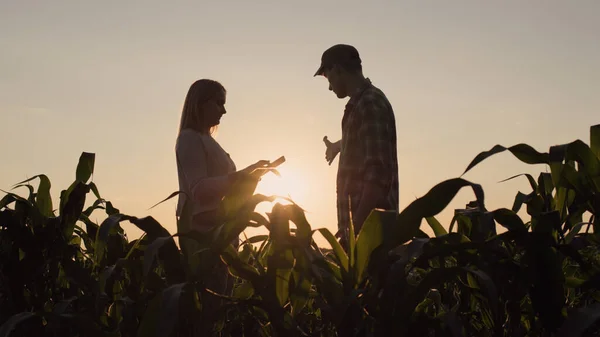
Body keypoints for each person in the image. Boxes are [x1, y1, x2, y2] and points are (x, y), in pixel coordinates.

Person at [174, 79, 268, 328]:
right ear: (201, 104)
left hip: (220, 236)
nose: (224, 111)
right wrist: (242, 175)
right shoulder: (189, 139)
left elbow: (221, 187)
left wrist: (250, 178)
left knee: (218, 312)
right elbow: (199, 190)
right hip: (205, 239)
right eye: (219, 103)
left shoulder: (206, 140)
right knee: (208, 312)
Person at [314, 44, 399, 246]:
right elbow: (370, 144)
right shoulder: (360, 105)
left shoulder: (370, 103)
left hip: (371, 236)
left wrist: (357, 229)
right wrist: (339, 146)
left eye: (327, 77)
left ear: (337, 69)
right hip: (364, 233)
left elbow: (377, 174)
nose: (329, 86)